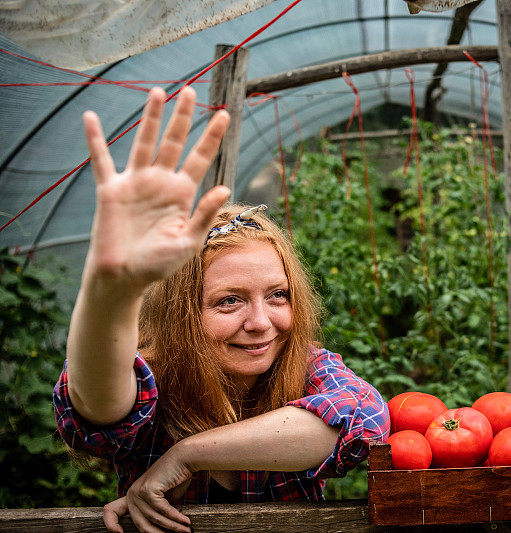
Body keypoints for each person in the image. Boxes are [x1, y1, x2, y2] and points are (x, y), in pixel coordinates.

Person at [52, 86, 390, 533]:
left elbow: (363, 417)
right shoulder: (156, 378)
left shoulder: (305, 366)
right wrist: (109, 293)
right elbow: (96, 405)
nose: (260, 323)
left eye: (278, 295)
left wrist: (187, 454)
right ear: (181, 314)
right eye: (229, 300)